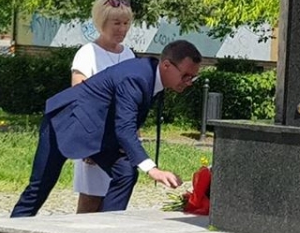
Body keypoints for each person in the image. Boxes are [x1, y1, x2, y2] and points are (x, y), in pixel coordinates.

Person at [11, 40, 201, 217]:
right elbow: (125, 128)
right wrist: (153, 170)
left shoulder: (151, 76)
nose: (189, 82)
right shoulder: (137, 77)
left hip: (98, 133)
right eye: (186, 75)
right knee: (39, 188)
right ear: (166, 65)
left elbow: (122, 119)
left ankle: (107, 225)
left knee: (126, 172)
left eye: (193, 77)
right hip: (65, 122)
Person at [71, 0, 135, 213]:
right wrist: (87, 142)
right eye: (116, 23)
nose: (122, 29)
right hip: (95, 136)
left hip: (120, 137)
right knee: (91, 199)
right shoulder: (87, 53)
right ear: (102, 23)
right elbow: (79, 98)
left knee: (115, 197)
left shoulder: (128, 54)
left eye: (125, 23)